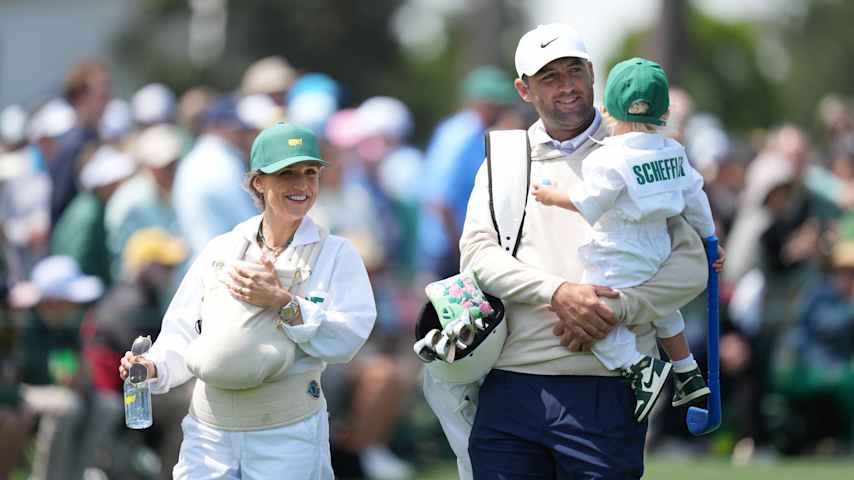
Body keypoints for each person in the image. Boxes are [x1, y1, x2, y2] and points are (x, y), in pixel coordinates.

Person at [434, 23, 710, 479]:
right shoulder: (504, 156)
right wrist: (559, 293)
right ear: (524, 90)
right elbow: (478, 256)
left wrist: (613, 310)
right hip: (511, 383)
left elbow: (690, 264)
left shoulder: (644, 147)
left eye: (574, 71)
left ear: (593, 73)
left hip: (608, 387)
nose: (567, 87)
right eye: (549, 77)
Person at [118, 122, 376, 479]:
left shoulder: (336, 253)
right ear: (259, 182)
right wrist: (151, 367)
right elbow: (183, 331)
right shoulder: (221, 249)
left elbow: (347, 338)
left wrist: (284, 303)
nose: (301, 185)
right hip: (208, 434)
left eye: (310, 173)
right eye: (286, 174)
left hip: (288, 433)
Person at [530, 57, 723, 421]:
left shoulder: (610, 156)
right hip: (659, 247)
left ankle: (639, 369)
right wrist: (710, 238)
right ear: (664, 111)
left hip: (618, 251)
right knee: (663, 309)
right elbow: (696, 198)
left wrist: (552, 196)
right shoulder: (674, 151)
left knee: (590, 314)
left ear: (609, 108)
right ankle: (686, 369)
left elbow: (590, 202)